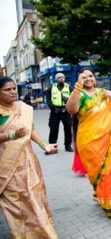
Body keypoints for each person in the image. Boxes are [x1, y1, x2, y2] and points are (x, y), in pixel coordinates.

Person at [65, 68, 111, 224]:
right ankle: (104, 196)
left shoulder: (104, 92)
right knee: (97, 173)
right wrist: (77, 87)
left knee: (110, 172)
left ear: (95, 78)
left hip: (107, 138)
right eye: (84, 77)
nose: (88, 79)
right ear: (79, 79)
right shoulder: (80, 94)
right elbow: (71, 109)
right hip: (89, 141)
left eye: (90, 76)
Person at [0, 76, 59, 238]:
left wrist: (44, 145)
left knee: (34, 195)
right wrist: (11, 134)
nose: (12, 92)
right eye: (7, 89)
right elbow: (15, 134)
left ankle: (42, 230)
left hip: (29, 162)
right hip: (7, 165)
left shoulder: (23, 108)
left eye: (13, 88)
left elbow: (30, 130)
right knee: (16, 201)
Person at [46, 73, 74, 152]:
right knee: (53, 129)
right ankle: (53, 146)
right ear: (56, 79)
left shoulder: (69, 87)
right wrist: (54, 109)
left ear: (64, 78)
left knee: (68, 128)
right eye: (59, 77)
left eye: (62, 77)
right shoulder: (51, 88)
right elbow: (48, 100)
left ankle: (68, 145)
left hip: (66, 111)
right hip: (54, 112)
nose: (61, 79)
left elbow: (73, 98)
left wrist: (66, 108)